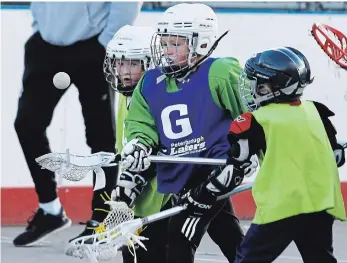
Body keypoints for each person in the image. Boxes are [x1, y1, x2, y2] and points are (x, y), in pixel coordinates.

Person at [119, 3, 258, 262]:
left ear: (201, 44)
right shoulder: (150, 83)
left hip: (215, 169)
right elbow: (142, 124)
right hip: (178, 170)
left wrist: (251, 152)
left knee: (182, 233)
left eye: (176, 45)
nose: (167, 52)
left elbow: (251, 115)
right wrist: (139, 145)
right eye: (164, 44)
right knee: (225, 230)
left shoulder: (219, 72)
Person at [13, 2, 142, 247]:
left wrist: (106, 42)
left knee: (101, 138)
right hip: (45, 46)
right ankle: (50, 211)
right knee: (27, 125)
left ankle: (102, 220)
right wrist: (41, 29)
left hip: (93, 46)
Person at [212, 46, 347, 262]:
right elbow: (337, 157)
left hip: (281, 207)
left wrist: (203, 193)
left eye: (258, 83)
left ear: (273, 87)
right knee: (320, 258)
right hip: (319, 205)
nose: (253, 88)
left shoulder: (253, 121)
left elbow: (236, 166)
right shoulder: (317, 112)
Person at [103, 24, 172, 263]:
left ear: (150, 64)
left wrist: (125, 194)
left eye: (132, 63)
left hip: (162, 198)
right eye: (119, 63)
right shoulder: (126, 95)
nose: (123, 71)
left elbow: (154, 152)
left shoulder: (156, 99)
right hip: (141, 199)